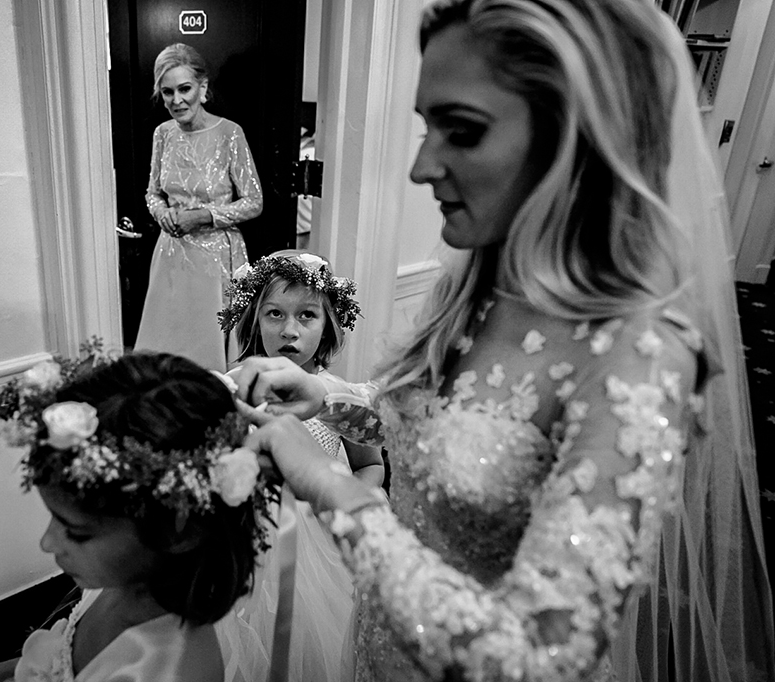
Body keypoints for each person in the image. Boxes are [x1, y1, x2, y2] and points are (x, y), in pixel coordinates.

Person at [230, 1, 775, 681]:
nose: (421, 167)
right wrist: (324, 395)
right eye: (426, 129)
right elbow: (433, 425)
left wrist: (320, 485)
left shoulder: (638, 354)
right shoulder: (473, 287)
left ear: (575, 136)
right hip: (379, 647)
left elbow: (542, 653)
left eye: (460, 130)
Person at [0, 348, 279, 682]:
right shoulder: (120, 582)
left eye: (77, 532)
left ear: (180, 531)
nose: (47, 543)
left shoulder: (163, 669)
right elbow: (48, 666)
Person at [214, 250, 384, 681]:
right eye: (274, 314)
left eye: (307, 315)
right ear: (254, 318)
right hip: (245, 539)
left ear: (328, 323)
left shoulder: (337, 394)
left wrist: (344, 501)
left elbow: (371, 465)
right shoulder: (234, 386)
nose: (289, 330)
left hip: (322, 540)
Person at [135, 43, 264, 373]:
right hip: (171, 256)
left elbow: (254, 201)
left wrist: (205, 215)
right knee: (166, 349)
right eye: (167, 92)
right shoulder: (162, 134)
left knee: (212, 353)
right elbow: (152, 193)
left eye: (184, 89)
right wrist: (161, 213)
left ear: (202, 88)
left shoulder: (229, 134)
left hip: (216, 260)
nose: (176, 100)